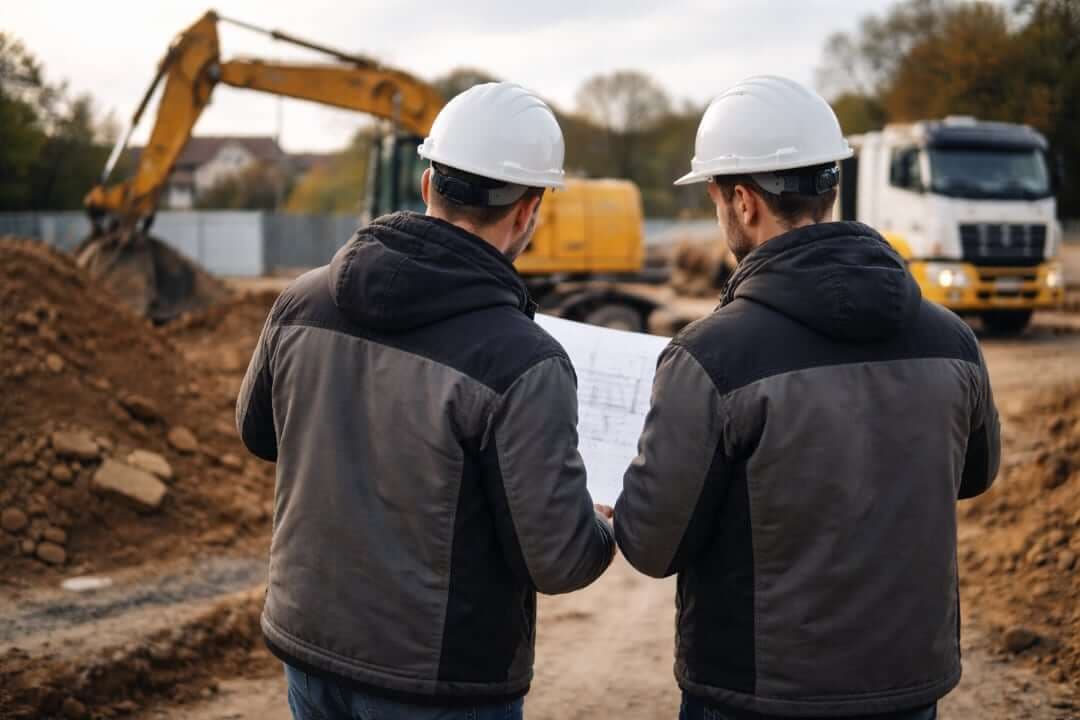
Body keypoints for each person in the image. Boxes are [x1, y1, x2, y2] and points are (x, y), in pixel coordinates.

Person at [614, 75, 1000, 720]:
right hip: (908, 685)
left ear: (741, 201)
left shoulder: (710, 357)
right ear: (832, 186)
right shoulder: (953, 338)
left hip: (756, 691)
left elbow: (653, 547)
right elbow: (973, 475)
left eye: (712, 194)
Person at [236, 82, 615, 720]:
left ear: (426, 183)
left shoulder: (302, 300)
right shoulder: (523, 359)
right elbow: (561, 559)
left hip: (309, 645)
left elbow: (259, 432)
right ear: (528, 211)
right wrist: (600, 525)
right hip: (437, 679)